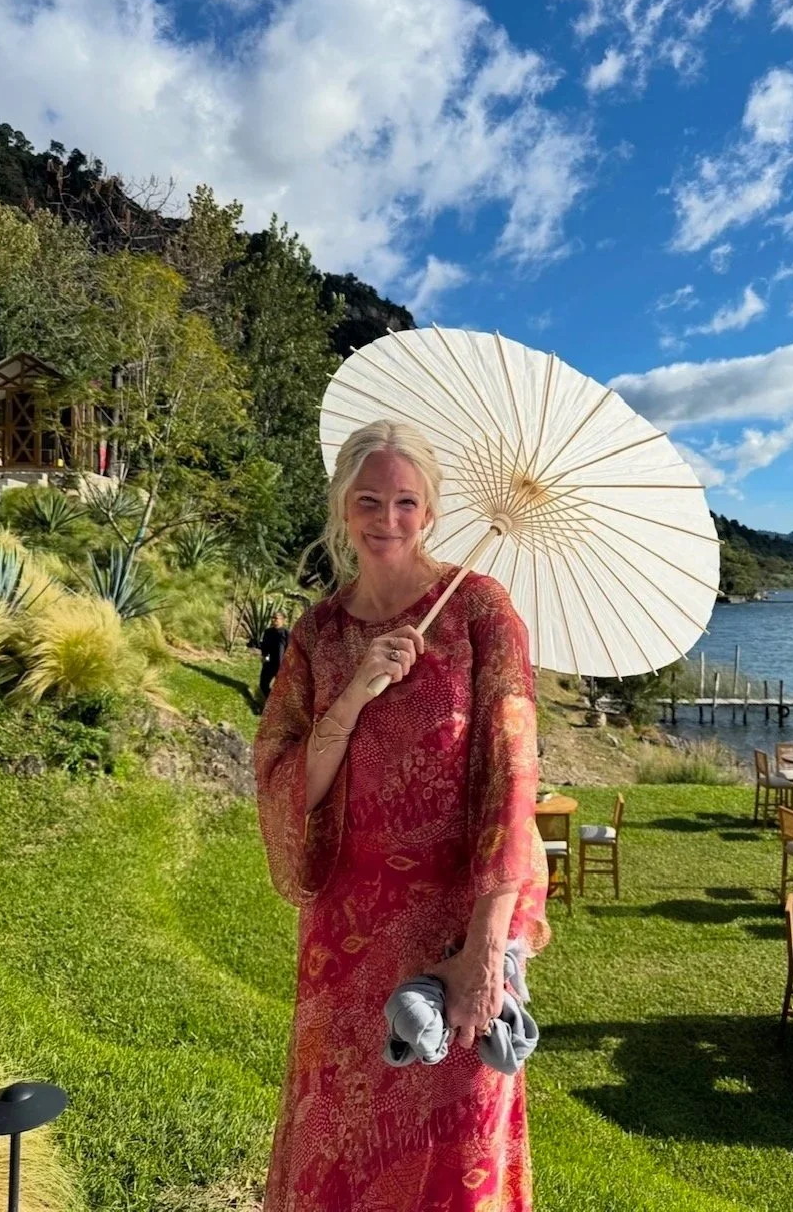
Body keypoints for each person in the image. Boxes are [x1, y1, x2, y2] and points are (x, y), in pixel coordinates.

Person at [253, 419, 550, 1211]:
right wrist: (354, 690)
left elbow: (511, 778)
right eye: (369, 500)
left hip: (455, 929)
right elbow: (287, 782)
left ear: (430, 510)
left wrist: (486, 952)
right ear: (341, 507)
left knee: (456, 1139)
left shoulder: (482, 612)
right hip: (345, 933)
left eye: (406, 501)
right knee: (340, 1128)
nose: (388, 519)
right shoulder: (319, 634)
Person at [259, 612, 289, 700]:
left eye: (276, 618)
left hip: (281, 665)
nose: (273, 620)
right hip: (269, 663)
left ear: (283, 620)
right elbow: (264, 646)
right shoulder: (268, 632)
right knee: (263, 685)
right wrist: (264, 656)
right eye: (273, 618)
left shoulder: (287, 634)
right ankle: (270, 701)